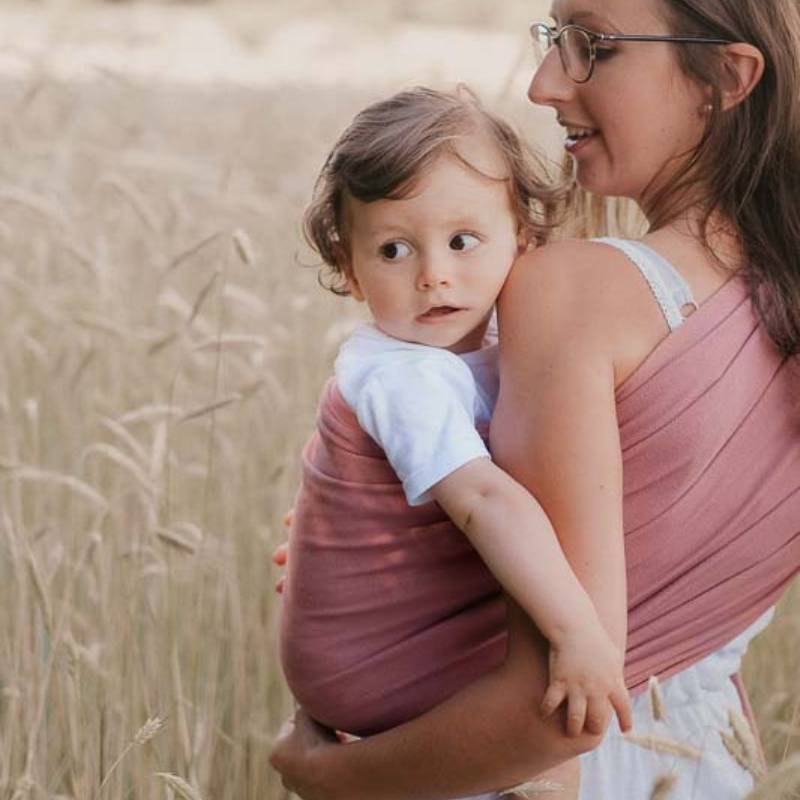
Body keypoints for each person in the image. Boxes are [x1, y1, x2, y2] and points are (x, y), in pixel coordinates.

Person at [270, 0, 800, 797]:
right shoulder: (782, 303)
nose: (546, 82)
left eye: (592, 46)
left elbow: (552, 717)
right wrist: (386, 551)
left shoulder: (574, 293)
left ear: (725, 77)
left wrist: (326, 775)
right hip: (704, 766)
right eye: (554, 39)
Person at [279, 86, 631, 800]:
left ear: (522, 240)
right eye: (394, 249)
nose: (434, 273)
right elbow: (484, 501)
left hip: (396, 647)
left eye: (463, 241)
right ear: (351, 270)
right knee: (539, 738)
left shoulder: (507, 341)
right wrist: (578, 633)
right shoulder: (401, 375)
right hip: (376, 668)